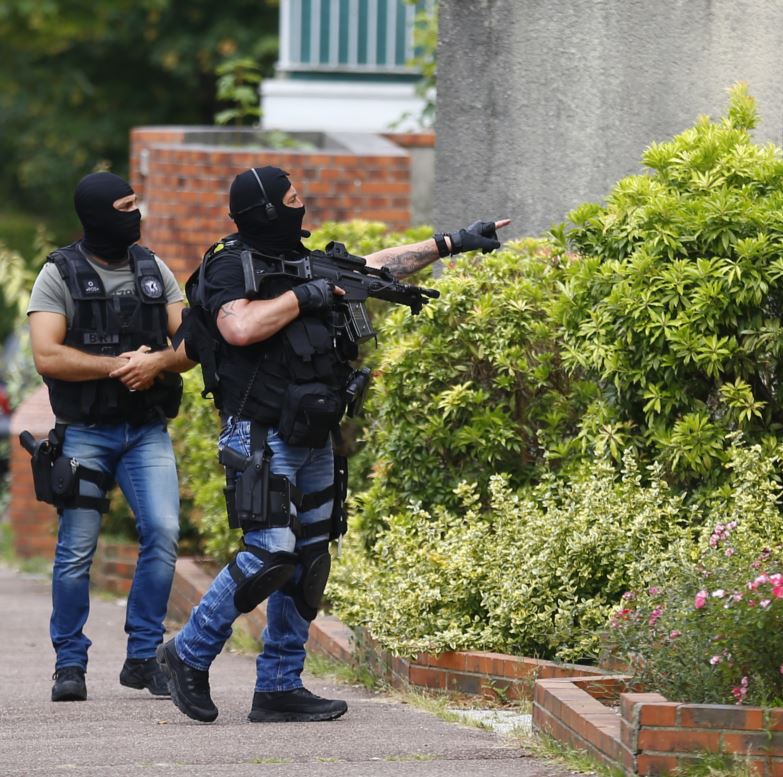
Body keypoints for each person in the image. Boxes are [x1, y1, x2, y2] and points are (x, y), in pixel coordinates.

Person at [158, 165, 508, 723]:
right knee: (270, 553)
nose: (303, 205)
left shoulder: (301, 260)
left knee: (308, 559)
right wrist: (306, 296)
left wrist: (451, 242)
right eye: (293, 199)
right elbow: (238, 328)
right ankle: (189, 651)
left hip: (314, 432)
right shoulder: (228, 265)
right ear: (268, 210)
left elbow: (372, 267)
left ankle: (278, 687)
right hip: (259, 431)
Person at [27, 171, 195, 702]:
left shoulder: (154, 268)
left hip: (147, 431)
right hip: (84, 433)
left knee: (164, 535)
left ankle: (143, 658)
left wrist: (159, 363)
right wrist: (116, 367)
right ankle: (69, 665)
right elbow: (46, 354)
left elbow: (190, 340)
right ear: (98, 214)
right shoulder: (59, 273)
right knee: (76, 551)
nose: (135, 215)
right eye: (125, 206)